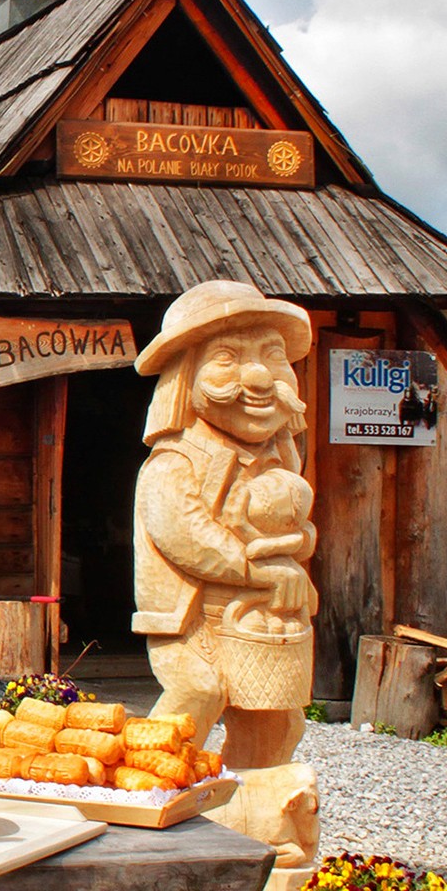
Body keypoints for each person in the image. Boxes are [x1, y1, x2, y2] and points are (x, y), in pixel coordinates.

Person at [132, 280, 317, 768]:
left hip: (261, 619)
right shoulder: (175, 461)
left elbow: (293, 530)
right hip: (188, 620)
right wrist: (257, 569)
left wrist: (298, 544)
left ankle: (254, 808)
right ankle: (147, 790)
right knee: (199, 693)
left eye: (272, 356)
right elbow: (185, 534)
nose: (258, 379)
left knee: (278, 719)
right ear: (183, 376)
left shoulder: (281, 459)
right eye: (228, 358)